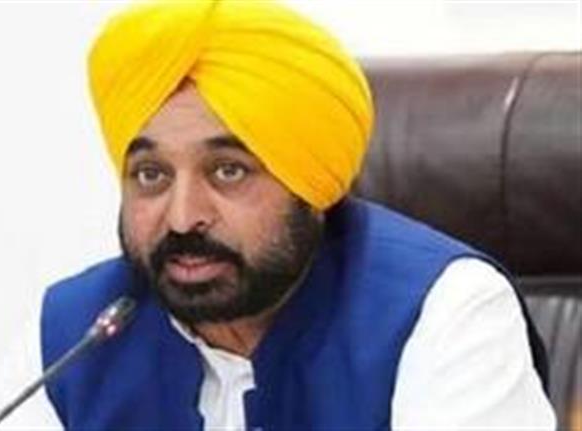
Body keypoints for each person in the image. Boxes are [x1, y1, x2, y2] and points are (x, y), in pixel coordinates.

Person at [40, 0, 556, 429]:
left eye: (228, 171)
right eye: (152, 174)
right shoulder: (72, 334)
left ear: (309, 183)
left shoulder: (444, 310)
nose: (182, 218)